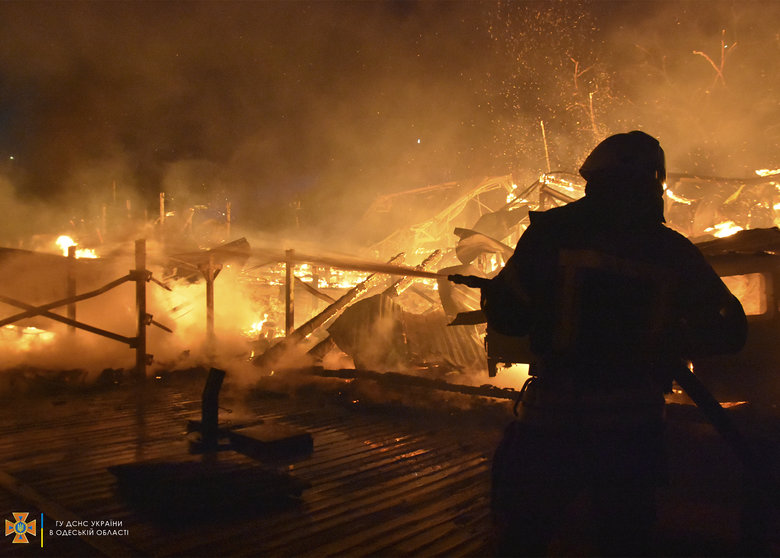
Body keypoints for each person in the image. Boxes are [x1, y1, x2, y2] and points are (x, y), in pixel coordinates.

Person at [482, 131, 748, 556]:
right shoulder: (672, 251)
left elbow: (510, 317)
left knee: (524, 533)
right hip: (631, 425)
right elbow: (730, 330)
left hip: (553, 419)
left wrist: (504, 296)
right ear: (654, 183)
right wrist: (673, 341)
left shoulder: (550, 234)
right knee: (623, 537)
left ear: (593, 178)